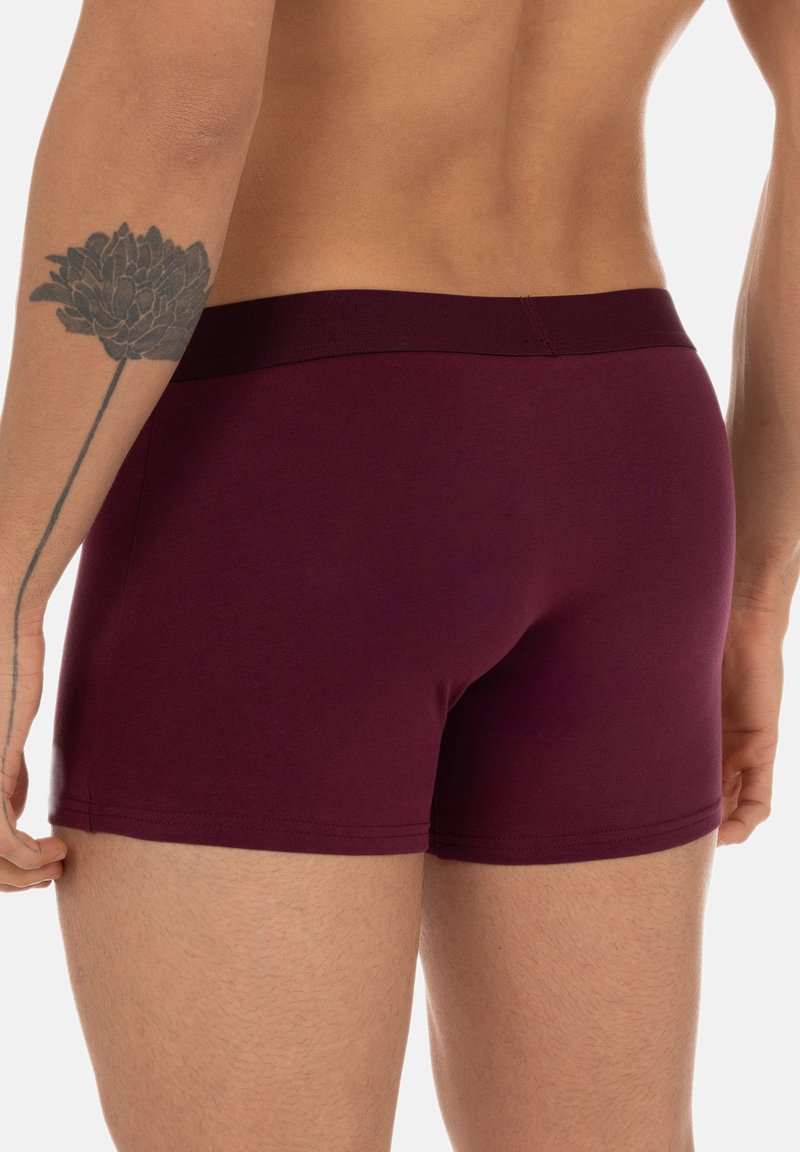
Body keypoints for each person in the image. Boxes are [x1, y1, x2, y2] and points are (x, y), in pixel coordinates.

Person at [0, 0, 796, 1148]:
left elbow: (171, 104)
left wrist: (12, 585)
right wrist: (758, 587)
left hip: (304, 453)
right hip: (631, 448)